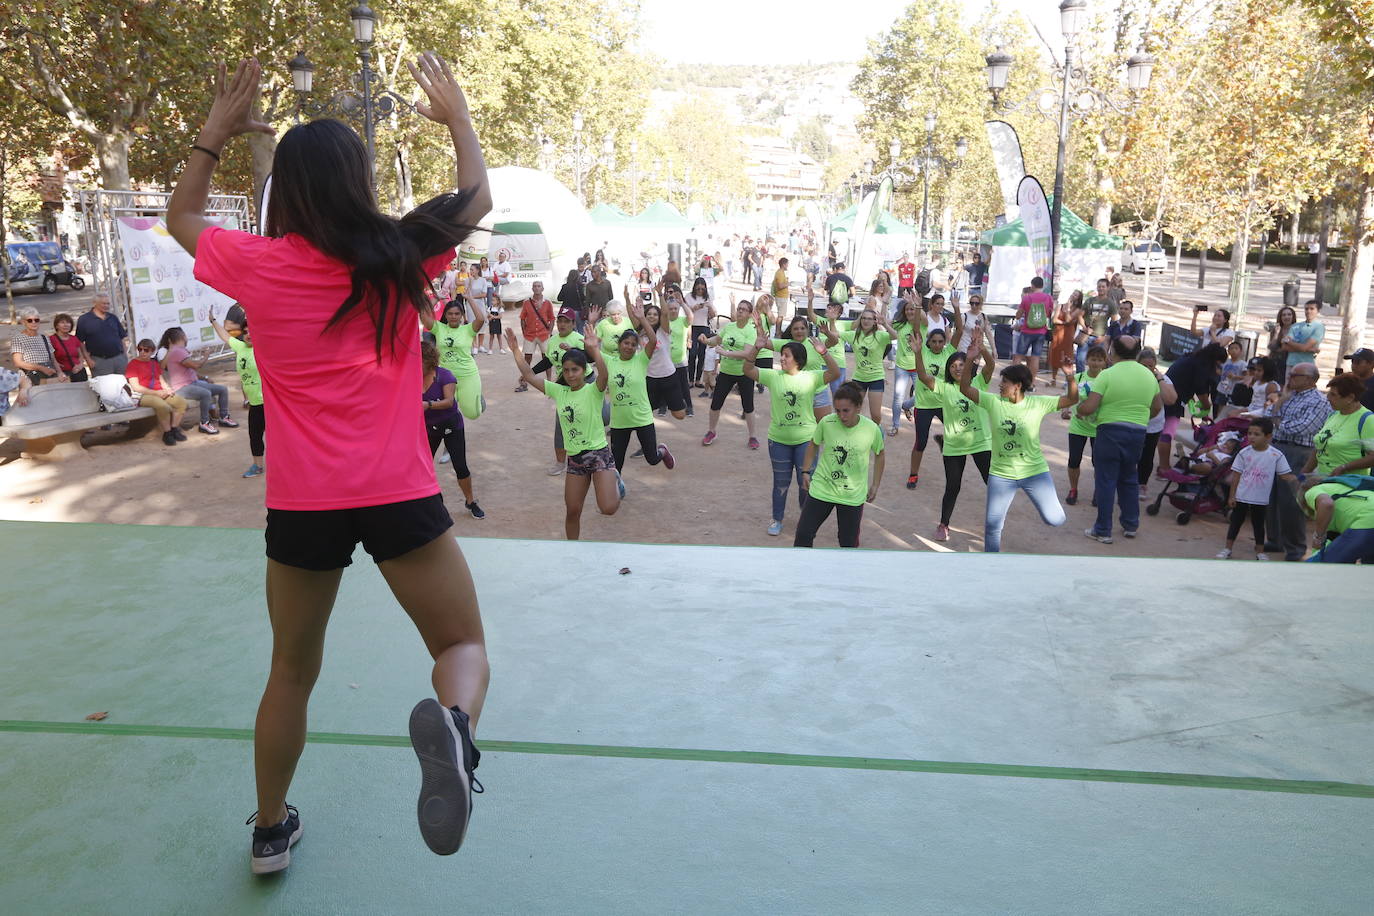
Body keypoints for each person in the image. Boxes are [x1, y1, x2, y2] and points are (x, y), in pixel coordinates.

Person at [168, 55, 491, 870]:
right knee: (461, 646)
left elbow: (180, 218)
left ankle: (271, 831)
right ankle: (455, 729)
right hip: (400, 494)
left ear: (287, 191)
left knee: (291, 672)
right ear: (358, 179)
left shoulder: (256, 263)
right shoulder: (399, 253)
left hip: (304, 504)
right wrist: (455, 118)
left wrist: (215, 128)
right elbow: (479, 199)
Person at [506, 326, 621, 537]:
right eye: (566, 370)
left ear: (584, 370)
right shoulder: (559, 391)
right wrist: (515, 351)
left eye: (574, 370)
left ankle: (615, 480)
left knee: (608, 508)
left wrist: (595, 350)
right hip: (575, 459)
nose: (569, 374)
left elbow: (604, 373)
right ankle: (571, 551)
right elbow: (530, 375)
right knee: (572, 511)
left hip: (598, 454)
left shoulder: (593, 390)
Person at [959, 353, 1078, 552]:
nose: (1000, 385)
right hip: (1001, 475)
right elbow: (965, 388)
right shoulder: (994, 402)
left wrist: (1070, 376)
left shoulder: (1038, 403)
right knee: (992, 527)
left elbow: (1072, 399)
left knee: (1055, 519)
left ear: (1018, 385)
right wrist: (970, 359)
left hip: (1034, 472)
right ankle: (991, 564)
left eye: (1004, 382)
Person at [744, 333, 840, 537]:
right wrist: (756, 348)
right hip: (778, 440)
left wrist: (824, 352)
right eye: (782, 355)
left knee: (805, 482)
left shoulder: (811, 377)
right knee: (780, 482)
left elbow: (834, 372)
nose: (782, 358)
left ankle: (805, 521)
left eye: (786, 355)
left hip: (806, 440)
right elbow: (748, 369)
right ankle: (777, 519)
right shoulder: (773, 376)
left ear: (798, 359)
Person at [1078, 335, 1163, 544]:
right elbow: (1157, 407)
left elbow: (1089, 406)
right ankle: (1130, 524)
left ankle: (1103, 529)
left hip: (1110, 431)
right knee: (1128, 478)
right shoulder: (1149, 376)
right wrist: (1140, 418)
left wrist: (1079, 409)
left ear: (1112, 351)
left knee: (1106, 480)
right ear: (1137, 353)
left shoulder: (1107, 375)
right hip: (1137, 433)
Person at [915, 338, 994, 541]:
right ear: (948, 371)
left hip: (980, 442)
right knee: (953, 486)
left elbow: (991, 365)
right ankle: (944, 524)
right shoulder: (944, 387)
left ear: (969, 365)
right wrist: (917, 353)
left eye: (961, 364)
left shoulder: (979, 383)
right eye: (953, 366)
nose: (957, 368)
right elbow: (923, 376)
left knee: (992, 483)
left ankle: (994, 524)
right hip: (955, 445)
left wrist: (982, 350)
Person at [794, 381, 885, 548]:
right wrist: (805, 471)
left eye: (846, 411)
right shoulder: (827, 423)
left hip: (852, 496)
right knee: (803, 535)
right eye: (837, 411)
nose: (841, 416)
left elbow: (880, 455)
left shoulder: (872, 429)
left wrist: (875, 485)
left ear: (858, 407)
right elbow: (814, 443)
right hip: (822, 489)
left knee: (848, 543)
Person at [1261, 361, 1331, 559]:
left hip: (1298, 451)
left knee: (1291, 501)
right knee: (1272, 496)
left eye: (1294, 375)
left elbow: (1301, 428)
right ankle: (1275, 540)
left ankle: (1295, 547)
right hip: (1278, 446)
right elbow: (1268, 417)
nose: (1289, 379)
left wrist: (1277, 420)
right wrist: (1278, 411)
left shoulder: (1318, 401)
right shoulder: (1290, 397)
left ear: (1309, 379)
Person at [601, 316, 675, 476]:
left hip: (642, 418)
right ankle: (616, 490)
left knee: (652, 458)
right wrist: (592, 324)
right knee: (616, 463)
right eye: (626, 343)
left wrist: (642, 318)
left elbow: (653, 341)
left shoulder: (641, 360)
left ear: (637, 348)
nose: (629, 347)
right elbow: (591, 350)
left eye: (633, 344)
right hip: (620, 422)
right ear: (619, 344)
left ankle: (662, 451)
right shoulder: (610, 361)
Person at [1217, 417, 1296, 560]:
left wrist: (1301, 480)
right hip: (1241, 495)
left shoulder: (1276, 455)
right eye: (1250, 433)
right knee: (1236, 521)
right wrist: (1232, 495)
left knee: (1258, 524)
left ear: (1268, 437)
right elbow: (1236, 475)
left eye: (1256, 434)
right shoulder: (1244, 453)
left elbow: (1285, 475)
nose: (1251, 437)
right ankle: (1227, 549)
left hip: (1260, 498)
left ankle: (1260, 552)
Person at [421, 341, 484, 519]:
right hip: (429, 428)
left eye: (420, 361)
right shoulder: (412, 377)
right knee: (423, 466)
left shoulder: (445, 376)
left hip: (451, 426)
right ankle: (432, 502)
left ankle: (470, 501)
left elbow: (449, 402)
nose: (416, 365)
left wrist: (428, 404)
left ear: (429, 360)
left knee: (460, 467)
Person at [210, 308, 266, 478]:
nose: (248, 334)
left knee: (282, 437)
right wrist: (213, 321)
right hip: (255, 403)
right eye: (246, 331)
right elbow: (225, 336)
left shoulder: (265, 349)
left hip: (270, 402)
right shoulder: (240, 347)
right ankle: (257, 466)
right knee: (254, 436)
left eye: (252, 331)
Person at [902, 317, 957, 490]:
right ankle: (913, 474)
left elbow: (960, 332)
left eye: (940, 341)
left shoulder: (948, 352)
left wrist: (956, 309)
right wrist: (918, 309)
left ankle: (942, 439)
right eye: (933, 341)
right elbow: (917, 329)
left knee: (957, 433)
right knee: (921, 442)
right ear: (928, 342)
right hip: (924, 405)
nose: (937, 344)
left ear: (945, 342)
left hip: (944, 403)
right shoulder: (922, 352)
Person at [699, 296, 760, 448]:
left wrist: (726, 353)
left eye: (743, 310)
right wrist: (706, 340)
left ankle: (752, 437)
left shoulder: (750, 331)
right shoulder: (730, 327)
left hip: (744, 372)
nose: (739, 312)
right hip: (726, 372)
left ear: (750, 314)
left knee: (748, 406)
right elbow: (717, 341)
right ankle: (711, 431)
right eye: (738, 309)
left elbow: (747, 353)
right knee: (716, 404)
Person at [1157, 342, 1227, 471]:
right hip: (1173, 399)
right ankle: (1164, 468)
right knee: (1167, 433)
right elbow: (1201, 390)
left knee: (1160, 432)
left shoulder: (1192, 359)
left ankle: (1162, 466)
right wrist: (1207, 406)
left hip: (1165, 393)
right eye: (1218, 364)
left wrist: (1203, 410)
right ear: (1215, 360)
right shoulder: (1201, 366)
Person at [158, 326, 235, 434]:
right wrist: (206, 355)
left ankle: (224, 417)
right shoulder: (176, 351)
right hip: (182, 388)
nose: (186, 338)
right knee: (206, 394)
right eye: (185, 335)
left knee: (222, 389)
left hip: (192, 383)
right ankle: (204, 423)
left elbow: (191, 369)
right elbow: (196, 365)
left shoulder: (180, 350)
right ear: (182, 337)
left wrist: (205, 378)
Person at [421, 299, 486, 419]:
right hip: (446, 378)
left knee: (472, 414)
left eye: (457, 314)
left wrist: (470, 298)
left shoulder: (468, 329)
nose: (453, 317)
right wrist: (436, 299)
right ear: (445, 315)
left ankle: (476, 396)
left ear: (462, 315)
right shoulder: (439, 328)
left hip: (467, 374)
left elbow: (481, 319)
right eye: (450, 313)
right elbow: (423, 316)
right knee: (446, 412)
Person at [1306, 373, 1374, 478]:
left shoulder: (1367, 420)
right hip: (1322, 480)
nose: (1327, 398)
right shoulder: (1333, 415)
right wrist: (1304, 472)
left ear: (1350, 398)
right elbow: (1320, 446)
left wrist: (1345, 467)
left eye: (1333, 394)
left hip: (1348, 485)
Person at [1063, 345, 1106, 506]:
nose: (1095, 363)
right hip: (1078, 426)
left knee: (1098, 462)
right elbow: (1070, 396)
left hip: (1099, 428)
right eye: (1093, 359)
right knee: (1074, 460)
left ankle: (1098, 491)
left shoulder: (1107, 378)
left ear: (1104, 362)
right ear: (1087, 360)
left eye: (1099, 360)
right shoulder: (1078, 377)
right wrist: (1066, 410)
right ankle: (1073, 489)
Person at [125, 338, 189, 445]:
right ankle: (167, 433)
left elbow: (161, 379)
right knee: (163, 406)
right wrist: (157, 393)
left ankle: (174, 429)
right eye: (140, 349)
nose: (142, 352)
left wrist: (167, 389)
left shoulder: (153, 363)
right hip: (142, 395)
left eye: (146, 350)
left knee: (181, 403)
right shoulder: (133, 364)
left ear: (152, 351)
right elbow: (136, 387)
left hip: (159, 392)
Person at [1137, 348, 1176, 501]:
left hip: (1153, 425)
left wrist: (1159, 379)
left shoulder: (1163, 379)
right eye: (1143, 366)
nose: (1147, 370)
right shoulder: (1131, 377)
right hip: (1133, 421)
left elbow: (1171, 399)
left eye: (1150, 367)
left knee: (1147, 456)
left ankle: (1142, 484)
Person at [1304, 478, 1374, 563]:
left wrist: (1318, 537)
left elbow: (1326, 503)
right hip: (1366, 521)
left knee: (1327, 566)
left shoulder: (1313, 490)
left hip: (1368, 521)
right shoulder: (1346, 486)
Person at [75, 292, 130, 376]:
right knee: (104, 387)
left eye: (108, 304)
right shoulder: (84, 320)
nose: (106, 306)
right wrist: (88, 360)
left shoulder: (113, 317)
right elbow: (79, 342)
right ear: (95, 304)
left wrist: (125, 356)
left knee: (122, 385)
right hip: (99, 360)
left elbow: (121, 337)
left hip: (119, 359)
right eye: (103, 303)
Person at [514, 280, 555, 391]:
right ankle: (524, 382)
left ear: (542, 288)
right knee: (527, 358)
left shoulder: (547, 303)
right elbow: (523, 318)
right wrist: (524, 332)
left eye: (539, 286)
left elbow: (552, 318)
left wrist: (549, 332)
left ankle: (549, 381)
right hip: (530, 335)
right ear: (532, 289)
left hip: (543, 335)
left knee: (546, 358)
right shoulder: (527, 303)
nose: (537, 288)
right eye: (535, 286)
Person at [10, 306, 65, 385]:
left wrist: (60, 372)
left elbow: (53, 359)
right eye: (30, 320)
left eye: (36, 320)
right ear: (23, 322)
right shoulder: (18, 338)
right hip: (29, 379)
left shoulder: (44, 337)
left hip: (48, 376)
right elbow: (18, 362)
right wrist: (41, 368)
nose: (33, 322)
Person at [1012, 276, 1052, 381]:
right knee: (1035, 357)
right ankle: (1031, 382)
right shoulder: (1048, 298)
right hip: (1041, 331)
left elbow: (1018, 315)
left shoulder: (1027, 298)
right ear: (1043, 286)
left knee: (1018, 356)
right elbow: (1050, 313)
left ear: (1032, 285)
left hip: (1026, 331)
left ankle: (1013, 379)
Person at [685, 276, 716, 390]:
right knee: (692, 353)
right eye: (698, 287)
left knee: (702, 354)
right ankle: (690, 380)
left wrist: (709, 307)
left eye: (702, 288)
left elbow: (713, 315)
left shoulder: (708, 298)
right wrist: (696, 307)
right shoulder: (689, 297)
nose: (700, 290)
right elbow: (686, 311)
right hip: (692, 327)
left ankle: (698, 379)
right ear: (695, 287)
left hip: (704, 327)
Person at [1078, 279, 1115, 371]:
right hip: (1086, 336)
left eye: (1103, 286)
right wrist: (1084, 327)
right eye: (1099, 286)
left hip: (1100, 338)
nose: (1101, 288)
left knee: (1100, 362)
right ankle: (1080, 381)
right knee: (1080, 360)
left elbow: (1114, 322)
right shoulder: (1090, 301)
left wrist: (1105, 337)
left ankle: (1098, 381)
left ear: (1107, 288)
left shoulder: (1110, 303)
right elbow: (1080, 315)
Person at [1049, 290, 1082, 389]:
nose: (1073, 295)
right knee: (1055, 354)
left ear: (1079, 299)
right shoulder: (1061, 305)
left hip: (1068, 335)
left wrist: (1067, 311)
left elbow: (1068, 319)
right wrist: (1064, 323)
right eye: (1073, 293)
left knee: (1068, 356)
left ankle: (1068, 381)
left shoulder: (1078, 309)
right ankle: (1053, 379)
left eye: (1076, 295)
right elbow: (1054, 320)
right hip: (1058, 333)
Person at [1283, 299, 1325, 369]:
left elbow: (1304, 347)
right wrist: (1310, 350)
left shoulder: (1319, 327)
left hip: (1306, 365)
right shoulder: (1295, 326)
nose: (1308, 311)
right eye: (1306, 309)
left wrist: (1289, 342)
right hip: (1291, 364)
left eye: (1312, 309)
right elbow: (1284, 347)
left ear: (1318, 311)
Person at [49, 313, 90, 383]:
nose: (66, 325)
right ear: (57, 325)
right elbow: (52, 358)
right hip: (64, 374)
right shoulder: (51, 339)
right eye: (62, 322)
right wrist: (59, 371)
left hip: (79, 372)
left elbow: (80, 355)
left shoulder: (74, 338)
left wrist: (80, 366)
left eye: (68, 322)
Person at [1214, 341, 1248, 417]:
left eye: (1236, 348)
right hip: (1222, 389)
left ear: (1241, 351)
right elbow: (1219, 370)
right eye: (1231, 348)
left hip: (1234, 390)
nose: (1234, 350)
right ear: (1228, 351)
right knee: (1220, 407)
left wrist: (1235, 377)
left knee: (1231, 409)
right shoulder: (1225, 362)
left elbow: (1246, 377)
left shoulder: (1243, 364)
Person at [1266, 305, 1297, 385]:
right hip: (1275, 361)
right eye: (1284, 315)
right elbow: (1271, 346)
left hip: (1290, 361)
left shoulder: (1297, 330)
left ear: (1293, 316)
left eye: (1289, 314)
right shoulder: (1276, 329)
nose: (1286, 317)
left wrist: (1281, 349)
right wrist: (1276, 334)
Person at [556, 268, 586, 334]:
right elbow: (583, 298)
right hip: (578, 311)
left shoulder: (565, 286)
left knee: (569, 332)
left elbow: (559, 298)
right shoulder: (580, 286)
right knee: (581, 330)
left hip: (567, 312)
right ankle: (580, 343)